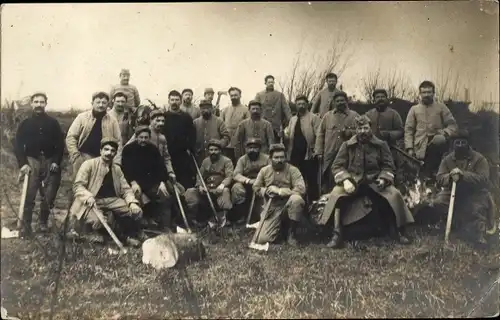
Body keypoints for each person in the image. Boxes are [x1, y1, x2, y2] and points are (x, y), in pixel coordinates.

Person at [316, 115, 414, 249]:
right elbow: (337, 166)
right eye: (360, 128)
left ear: (371, 129)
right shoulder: (347, 145)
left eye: (365, 128)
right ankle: (337, 234)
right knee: (337, 195)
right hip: (353, 182)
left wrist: (384, 178)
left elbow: (389, 166)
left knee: (394, 195)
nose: (363, 131)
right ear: (356, 130)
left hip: (374, 181)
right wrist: (345, 180)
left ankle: (397, 231)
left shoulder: (381, 145)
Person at [68, 137, 143, 246]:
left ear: (116, 153)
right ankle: (87, 234)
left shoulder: (116, 169)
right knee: (98, 222)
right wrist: (88, 196)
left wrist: (132, 203)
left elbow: (126, 189)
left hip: (111, 200)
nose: (109, 153)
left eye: (112, 151)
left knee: (134, 211)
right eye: (106, 149)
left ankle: (129, 236)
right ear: (100, 151)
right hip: (91, 201)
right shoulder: (89, 164)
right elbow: (78, 186)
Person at [14, 92, 65, 236]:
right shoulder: (25, 123)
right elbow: (18, 145)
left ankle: (43, 222)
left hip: (50, 160)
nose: (38, 105)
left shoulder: (53, 123)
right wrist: (23, 163)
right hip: (32, 160)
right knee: (29, 193)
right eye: (36, 102)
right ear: (31, 104)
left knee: (49, 194)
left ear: (46, 104)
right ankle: (26, 225)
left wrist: (56, 161)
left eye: (41, 102)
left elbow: (60, 144)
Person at [434, 129, 495, 246]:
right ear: (453, 144)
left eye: (463, 142)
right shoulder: (447, 160)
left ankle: (479, 233)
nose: (460, 145)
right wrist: (450, 176)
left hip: (475, 194)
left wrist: (463, 175)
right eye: (457, 143)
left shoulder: (479, 159)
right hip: (453, 193)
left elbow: (483, 179)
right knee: (437, 203)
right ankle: (448, 223)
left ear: (469, 143)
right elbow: (440, 177)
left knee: (475, 210)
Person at [122, 126, 177, 232]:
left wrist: (161, 182)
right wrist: (133, 182)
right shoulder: (128, 149)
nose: (143, 140)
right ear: (136, 137)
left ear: (149, 138)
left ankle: (166, 227)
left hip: (151, 183)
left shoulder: (153, 149)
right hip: (134, 183)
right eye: (141, 137)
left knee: (165, 196)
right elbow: (125, 170)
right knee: (137, 197)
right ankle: (139, 228)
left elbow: (161, 167)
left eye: (146, 137)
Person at [252, 143, 306, 246]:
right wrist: (266, 190)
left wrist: (280, 191)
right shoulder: (264, 171)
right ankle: (279, 229)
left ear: (285, 157)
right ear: (270, 158)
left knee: (296, 199)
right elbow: (256, 187)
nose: (279, 160)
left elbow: (301, 188)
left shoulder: (293, 170)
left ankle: (291, 233)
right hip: (271, 208)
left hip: (288, 205)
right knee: (262, 239)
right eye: (276, 157)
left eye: (282, 157)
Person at [404, 80, 458, 183]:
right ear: (420, 94)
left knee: (438, 169)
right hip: (420, 146)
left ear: (433, 93)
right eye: (424, 92)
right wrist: (409, 148)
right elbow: (408, 130)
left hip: (439, 146)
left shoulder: (441, 107)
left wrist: (444, 133)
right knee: (418, 175)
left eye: (429, 92)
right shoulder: (414, 109)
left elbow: (453, 125)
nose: (426, 95)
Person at [66, 92, 122, 178]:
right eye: (98, 102)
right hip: (83, 157)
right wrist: (75, 156)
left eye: (104, 103)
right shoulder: (82, 117)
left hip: (104, 159)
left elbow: (118, 141)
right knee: (80, 185)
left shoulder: (112, 121)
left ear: (108, 104)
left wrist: (116, 162)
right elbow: (71, 137)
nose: (101, 105)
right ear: (92, 103)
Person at [314, 91, 359, 192]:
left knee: (347, 179)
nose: (340, 103)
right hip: (330, 154)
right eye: (337, 101)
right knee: (328, 179)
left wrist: (350, 132)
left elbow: (361, 132)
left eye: (342, 100)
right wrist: (319, 151)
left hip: (349, 154)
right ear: (334, 102)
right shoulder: (327, 116)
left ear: (346, 101)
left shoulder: (354, 115)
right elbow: (320, 134)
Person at [184, 139, 234, 228]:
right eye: (211, 150)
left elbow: (229, 176)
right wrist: (200, 186)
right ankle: (192, 219)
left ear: (220, 151)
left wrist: (222, 185)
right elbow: (200, 176)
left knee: (225, 192)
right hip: (206, 189)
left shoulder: (227, 161)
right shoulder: (205, 161)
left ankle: (223, 219)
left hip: (219, 189)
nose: (213, 152)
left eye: (215, 150)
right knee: (190, 192)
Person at [284, 95, 321, 202]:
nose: (301, 106)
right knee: (296, 180)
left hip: (309, 155)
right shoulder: (293, 119)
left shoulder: (314, 118)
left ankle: (313, 204)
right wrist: (284, 135)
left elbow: (319, 135)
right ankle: (298, 202)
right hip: (295, 155)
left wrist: (317, 151)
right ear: (296, 105)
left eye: (303, 104)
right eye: (299, 104)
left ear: (307, 104)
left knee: (311, 181)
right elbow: (288, 133)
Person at [365, 89, 405, 184]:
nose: (380, 99)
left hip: (390, 149)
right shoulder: (368, 114)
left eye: (382, 97)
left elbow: (401, 131)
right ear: (374, 99)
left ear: (386, 98)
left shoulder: (394, 114)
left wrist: (389, 134)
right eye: (377, 97)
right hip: (372, 150)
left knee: (390, 171)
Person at [162, 90, 197, 189]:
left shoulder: (186, 117)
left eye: (177, 100)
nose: (174, 102)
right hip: (167, 153)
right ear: (168, 101)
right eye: (172, 100)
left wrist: (190, 148)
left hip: (182, 154)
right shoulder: (164, 117)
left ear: (180, 101)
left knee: (184, 179)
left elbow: (192, 135)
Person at [231, 138, 271, 223]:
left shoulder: (267, 159)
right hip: (246, 185)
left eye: (255, 148)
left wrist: (261, 182)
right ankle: (241, 214)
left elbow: (271, 173)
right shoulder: (242, 159)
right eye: (250, 148)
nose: (252, 150)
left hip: (261, 186)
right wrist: (248, 181)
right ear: (246, 149)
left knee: (261, 216)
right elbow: (236, 174)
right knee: (236, 188)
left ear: (259, 149)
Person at [254, 75, 292, 141]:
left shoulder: (280, 95)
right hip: (262, 125)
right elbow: (255, 109)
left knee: (275, 146)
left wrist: (291, 122)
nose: (271, 84)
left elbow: (286, 109)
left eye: (272, 82)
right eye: (269, 82)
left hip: (276, 126)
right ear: (265, 83)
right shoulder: (259, 95)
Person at [220, 87, 250, 162]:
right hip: (227, 145)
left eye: (236, 95)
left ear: (240, 96)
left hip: (240, 144)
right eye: (232, 95)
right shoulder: (225, 110)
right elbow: (220, 126)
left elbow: (248, 126)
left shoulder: (246, 110)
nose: (233, 97)